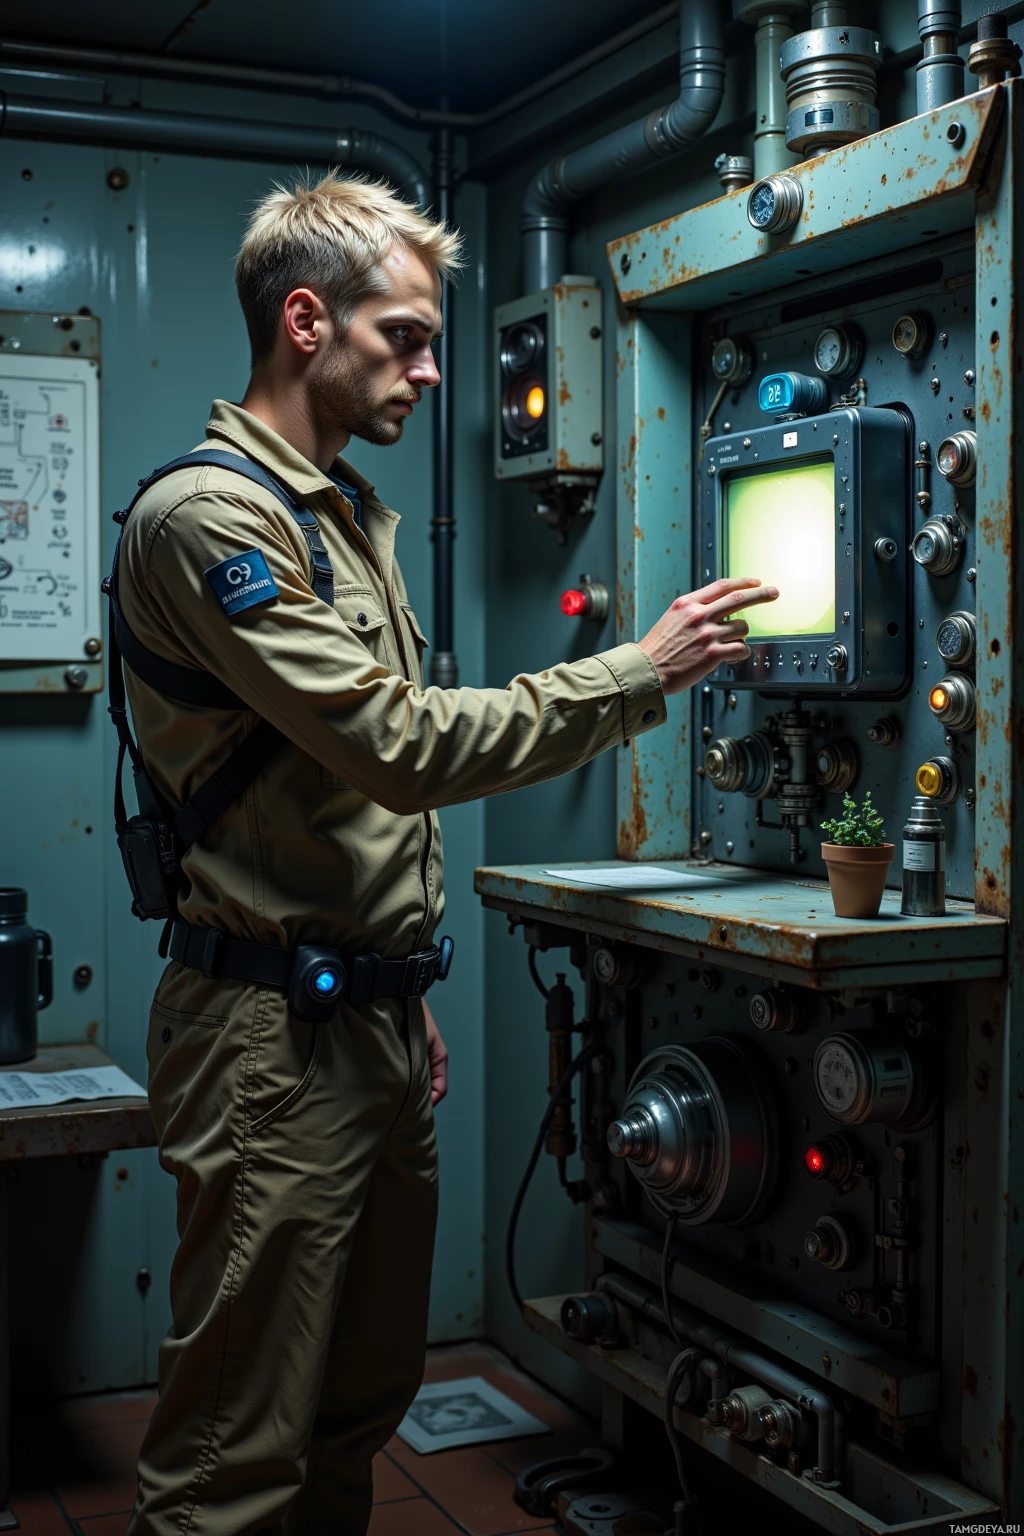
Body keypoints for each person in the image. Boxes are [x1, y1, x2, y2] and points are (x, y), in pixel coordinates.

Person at [118, 171, 777, 1536]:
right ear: (307, 321)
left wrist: (399, 987)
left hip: (355, 1018)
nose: (431, 369)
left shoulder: (346, 515)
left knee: (354, 1411)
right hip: (263, 1039)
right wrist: (636, 672)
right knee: (236, 1454)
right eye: (404, 335)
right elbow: (395, 745)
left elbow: (344, 809)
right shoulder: (210, 519)